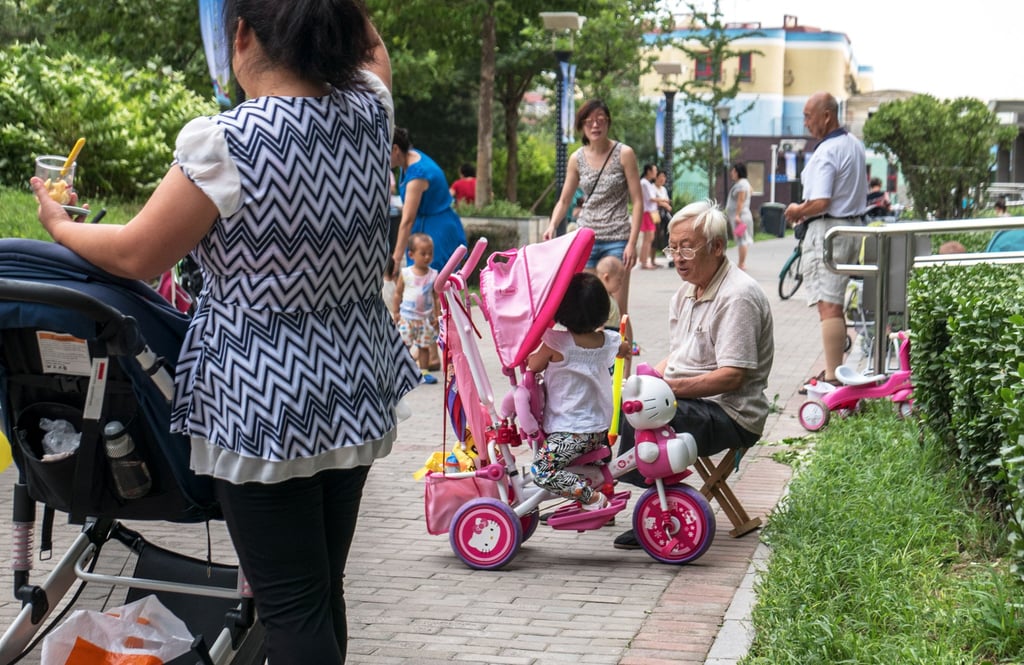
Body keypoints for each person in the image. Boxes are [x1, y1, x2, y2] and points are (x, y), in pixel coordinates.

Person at [30, 3, 419, 662]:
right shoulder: (369, 110)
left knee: (291, 604)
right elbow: (372, 47)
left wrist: (58, 223)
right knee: (321, 592)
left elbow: (134, 254)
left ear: (240, 35)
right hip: (355, 385)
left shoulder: (227, 142)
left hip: (261, 400)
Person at [612, 200, 774, 550]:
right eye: (673, 247)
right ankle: (631, 498)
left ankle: (659, 514)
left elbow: (733, 377)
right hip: (697, 399)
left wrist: (667, 390)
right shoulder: (684, 293)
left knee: (643, 415)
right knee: (622, 402)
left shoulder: (738, 296)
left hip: (731, 412)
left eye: (687, 246)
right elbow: (681, 354)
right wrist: (644, 379)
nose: (678, 256)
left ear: (716, 247)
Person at [784, 91, 867, 393]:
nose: (805, 122)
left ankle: (833, 376)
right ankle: (835, 368)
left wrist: (796, 210)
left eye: (808, 115)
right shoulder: (854, 145)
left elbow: (820, 201)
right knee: (834, 302)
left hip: (828, 230)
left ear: (827, 116)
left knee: (829, 306)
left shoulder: (826, 151)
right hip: (850, 229)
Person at [543, 99, 644, 347]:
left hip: (618, 239)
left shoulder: (625, 154)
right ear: (582, 126)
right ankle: (594, 369)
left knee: (619, 311)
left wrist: (632, 243)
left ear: (608, 122)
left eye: (600, 119)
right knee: (588, 308)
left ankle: (625, 376)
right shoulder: (577, 158)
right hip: (586, 238)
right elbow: (565, 198)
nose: (595, 125)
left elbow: (638, 201)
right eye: (589, 121)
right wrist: (551, 225)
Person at [527, 272, 630, 510]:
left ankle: (590, 497)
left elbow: (533, 365)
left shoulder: (556, 342)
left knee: (541, 470)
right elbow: (625, 348)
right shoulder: (610, 341)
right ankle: (597, 492)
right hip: (599, 431)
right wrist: (625, 349)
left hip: (570, 432)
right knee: (576, 465)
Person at [390, 127, 467, 275]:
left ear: (395, 149)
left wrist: (396, 259)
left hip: (435, 233)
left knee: (431, 285)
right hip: (428, 228)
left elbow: (407, 220)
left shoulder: (417, 175)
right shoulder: (410, 157)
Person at [394, 233, 440, 385]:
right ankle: (401, 371)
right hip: (407, 318)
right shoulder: (406, 273)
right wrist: (395, 312)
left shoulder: (433, 275)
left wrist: (437, 315)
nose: (427, 257)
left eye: (430, 253)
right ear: (411, 255)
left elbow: (436, 297)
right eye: (423, 253)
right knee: (404, 345)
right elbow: (398, 293)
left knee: (424, 347)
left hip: (424, 319)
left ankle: (424, 372)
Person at [725, 162, 754, 270]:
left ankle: (741, 264)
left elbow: (740, 200)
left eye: (733, 171)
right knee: (741, 239)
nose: (731, 173)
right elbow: (751, 191)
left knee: (741, 239)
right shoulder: (745, 183)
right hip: (743, 214)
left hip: (740, 216)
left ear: (737, 172)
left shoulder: (741, 184)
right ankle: (741, 263)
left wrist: (737, 215)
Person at [639, 162, 660, 269]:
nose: (656, 172)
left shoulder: (647, 183)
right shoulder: (644, 183)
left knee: (648, 238)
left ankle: (643, 260)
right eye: (654, 170)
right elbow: (650, 198)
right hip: (647, 212)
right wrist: (663, 200)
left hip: (650, 212)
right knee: (649, 237)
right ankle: (645, 262)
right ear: (649, 171)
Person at [595, 255, 625, 331]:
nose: (621, 283)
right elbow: (599, 323)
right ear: (606, 278)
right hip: (605, 335)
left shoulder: (609, 296)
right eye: (619, 280)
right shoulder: (602, 299)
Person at [653, 169, 673, 250]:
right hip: (655, 213)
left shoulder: (663, 189)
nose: (662, 178)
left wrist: (665, 203)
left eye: (664, 176)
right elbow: (653, 200)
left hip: (664, 213)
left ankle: (667, 248)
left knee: (670, 227)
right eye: (660, 176)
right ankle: (652, 257)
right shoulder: (652, 188)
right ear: (656, 177)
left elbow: (667, 200)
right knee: (655, 234)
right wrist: (664, 203)